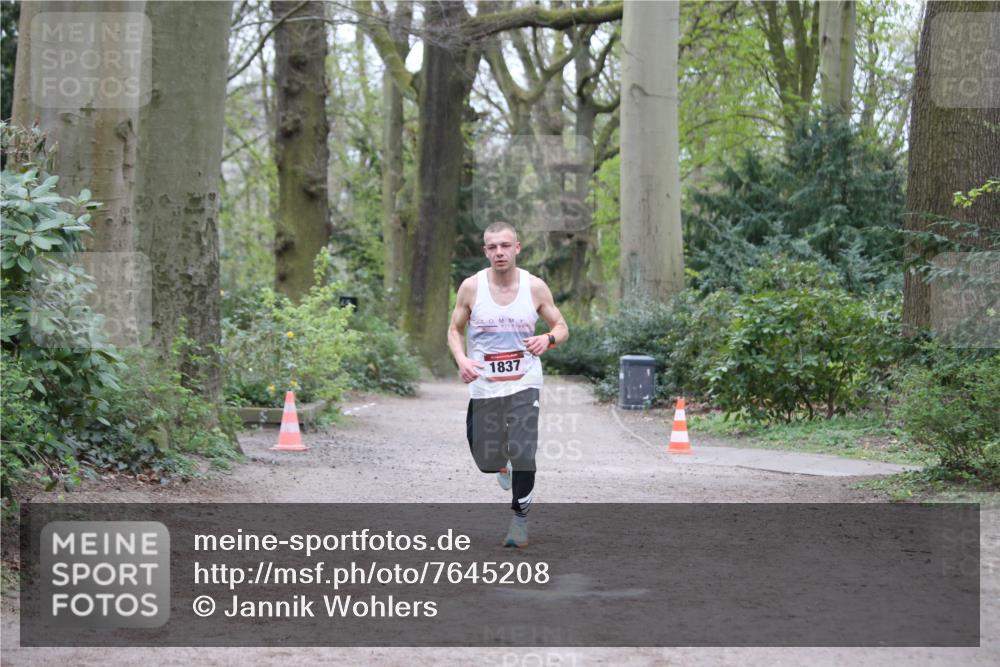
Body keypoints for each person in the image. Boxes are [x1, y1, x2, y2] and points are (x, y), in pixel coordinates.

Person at [447, 221, 569, 547]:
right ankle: (500, 465)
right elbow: (454, 329)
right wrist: (462, 360)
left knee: (524, 451)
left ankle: (519, 521)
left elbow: (561, 325)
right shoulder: (471, 288)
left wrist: (548, 338)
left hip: (524, 381)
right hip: (485, 385)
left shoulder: (535, 287)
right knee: (485, 458)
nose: (499, 252)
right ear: (485, 250)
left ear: (517, 248)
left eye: (505, 245)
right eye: (492, 247)